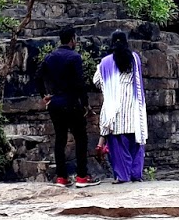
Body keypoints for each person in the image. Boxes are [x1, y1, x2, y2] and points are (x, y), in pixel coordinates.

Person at [38, 26, 93, 187]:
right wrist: (86, 104)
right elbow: (80, 83)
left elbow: (38, 77)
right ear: (72, 39)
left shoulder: (50, 57)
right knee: (81, 138)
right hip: (72, 102)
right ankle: (82, 176)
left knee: (60, 139)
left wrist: (44, 95)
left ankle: (61, 177)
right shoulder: (74, 57)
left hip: (55, 102)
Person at [95, 28, 148, 183]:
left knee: (118, 144)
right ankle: (136, 174)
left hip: (115, 109)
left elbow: (96, 81)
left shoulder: (105, 62)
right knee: (136, 143)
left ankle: (123, 176)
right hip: (133, 107)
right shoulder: (134, 58)